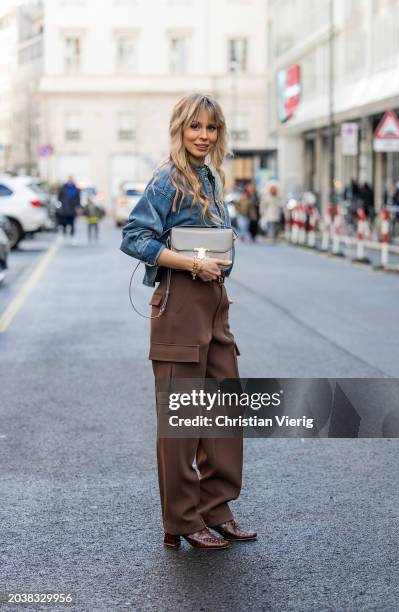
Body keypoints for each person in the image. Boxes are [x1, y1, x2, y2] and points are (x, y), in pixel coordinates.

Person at [120, 93, 256, 550]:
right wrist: (192, 264)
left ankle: (215, 509)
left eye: (211, 128)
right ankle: (181, 520)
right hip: (179, 306)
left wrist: (214, 272)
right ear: (180, 128)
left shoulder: (209, 177)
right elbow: (134, 237)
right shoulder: (168, 179)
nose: (203, 135)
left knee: (223, 416)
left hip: (214, 307)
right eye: (195, 126)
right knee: (182, 425)